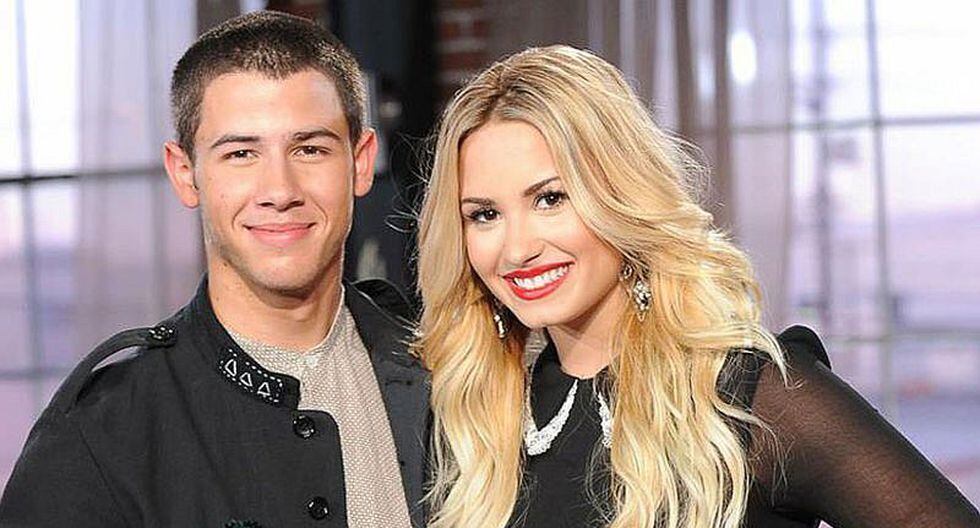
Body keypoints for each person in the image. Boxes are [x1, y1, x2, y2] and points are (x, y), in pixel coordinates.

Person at [415, 45, 980, 528]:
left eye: (550, 199)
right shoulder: (480, 417)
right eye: (484, 214)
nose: (516, 249)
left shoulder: (750, 397)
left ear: (621, 195)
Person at [0, 11, 428, 528]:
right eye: (241, 153)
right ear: (186, 174)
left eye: (310, 149)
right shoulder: (102, 432)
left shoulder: (451, 369)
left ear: (360, 162)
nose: (280, 191)